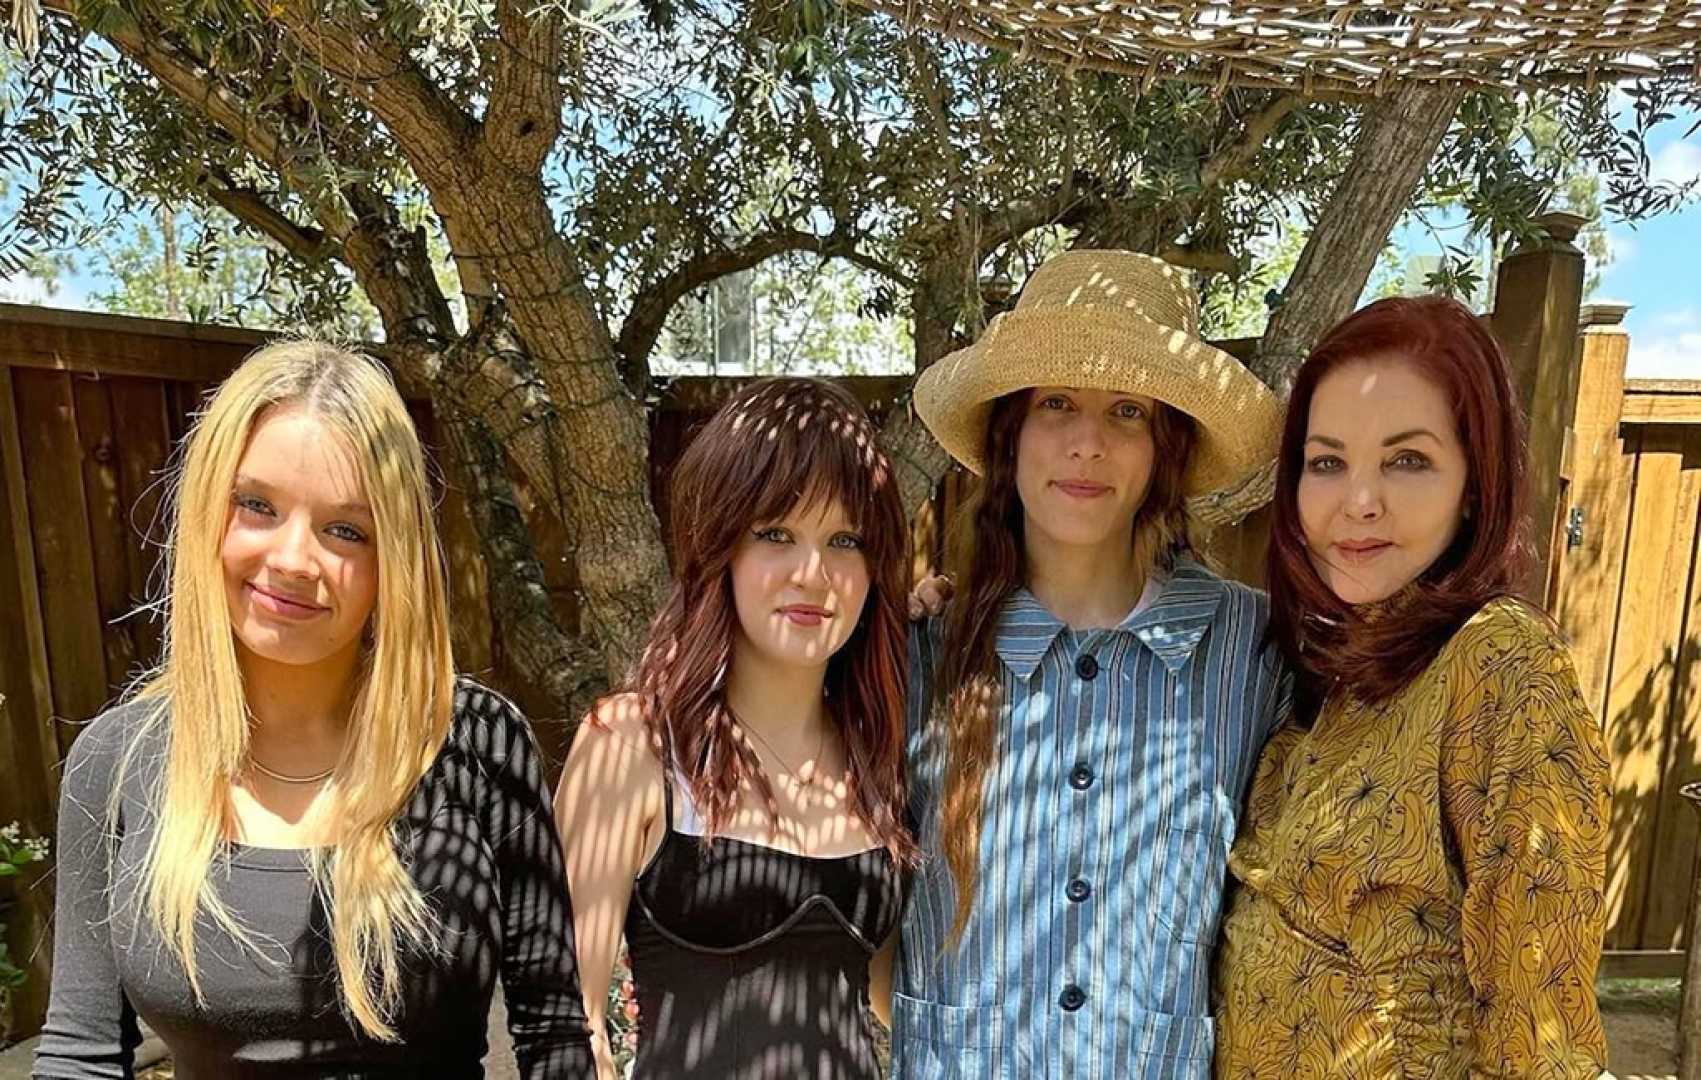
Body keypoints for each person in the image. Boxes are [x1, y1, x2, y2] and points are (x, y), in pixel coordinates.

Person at [33, 340, 594, 1079]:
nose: (295, 559)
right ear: (208, 512)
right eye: (257, 506)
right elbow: (80, 1053)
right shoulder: (117, 759)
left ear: (393, 560)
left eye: (346, 530)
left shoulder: (476, 745)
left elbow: (552, 1032)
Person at [892, 250, 1287, 1077]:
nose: (1085, 444)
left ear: (1166, 448)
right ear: (1009, 435)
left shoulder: (1254, 653)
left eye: (1127, 412)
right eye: (1056, 404)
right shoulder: (923, 649)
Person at [1214, 295, 1610, 1077]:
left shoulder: (1499, 664)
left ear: (1473, 483)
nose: (1358, 500)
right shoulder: (1336, 666)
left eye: (1406, 460)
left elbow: (1542, 1023)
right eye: (1326, 462)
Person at [555, 377, 916, 1080]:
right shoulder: (632, 746)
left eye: (844, 539)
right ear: (719, 545)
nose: (813, 574)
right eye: (776, 534)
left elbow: (905, 1000)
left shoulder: (881, 759)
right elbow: (568, 1026)